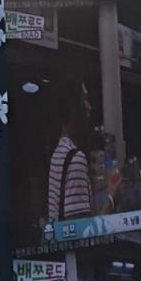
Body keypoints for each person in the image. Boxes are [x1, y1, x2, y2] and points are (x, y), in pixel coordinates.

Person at [46, 91, 94, 228]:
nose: (89, 107)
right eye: (84, 100)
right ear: (73, 108)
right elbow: (82, 230)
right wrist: (112, 199)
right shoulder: (76, 158)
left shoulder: (58, 151)